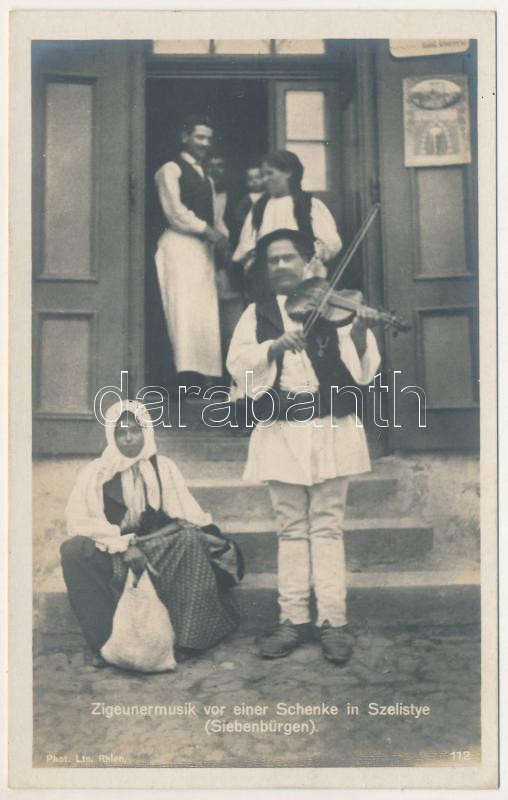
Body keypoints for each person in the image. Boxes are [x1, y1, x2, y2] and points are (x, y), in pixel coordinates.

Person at [226, 229, 381, 665]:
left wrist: (362, 332)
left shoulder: (336, 308)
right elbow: (237, 365)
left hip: (331, 425)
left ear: (308, 261)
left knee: (328, 526)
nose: (280, 266)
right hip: (281, 428)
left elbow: (362, 369)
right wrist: (272, 347)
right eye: (272, 260)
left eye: (288, 258)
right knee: (290, 528)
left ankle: (333, 621)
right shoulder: (256, 313)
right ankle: (292, 619)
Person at [60, 399, 243, 667]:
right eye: (121, 433)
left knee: (190, 539)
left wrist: (196, 535)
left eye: (135, 430)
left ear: (146, 431)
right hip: (114, 548)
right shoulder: (96, 473)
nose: (129, 438)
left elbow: (185, 512)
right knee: (73, 551)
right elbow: (80, 520)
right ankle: (104, 644)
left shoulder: (163, 467)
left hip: (155, 546)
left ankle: (190, 639)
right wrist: (123, 545)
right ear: (111, 436)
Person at [154, 114, 227, 387]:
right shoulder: (170, 169)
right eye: (199, 137)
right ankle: (181, 379)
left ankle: (203, 379)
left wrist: (223, 238)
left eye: (208, 139)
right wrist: (206, 230)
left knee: (203, 314)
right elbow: (175, 211)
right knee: (181, 312)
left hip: (202, 251)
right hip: (179, 247)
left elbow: (215, 218)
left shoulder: (206, 178)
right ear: (185, 137)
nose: (205, 143)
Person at [232, 150, 342, 278]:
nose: (265, 179)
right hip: (269, 278)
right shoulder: (259, 208)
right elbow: (246, 247)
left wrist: (310, 261)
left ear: (288, 172)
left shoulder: (310, 205)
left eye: (270, 173)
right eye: (262, 175)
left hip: (304, 276)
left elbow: (331, 244)